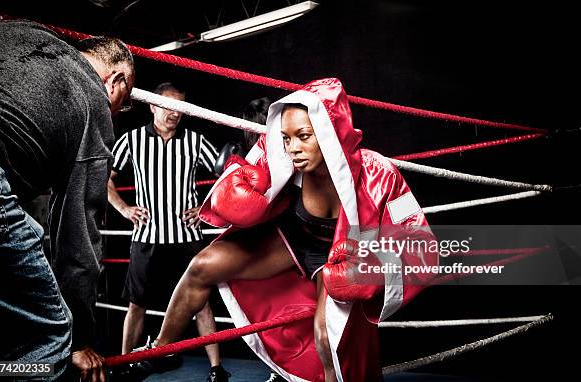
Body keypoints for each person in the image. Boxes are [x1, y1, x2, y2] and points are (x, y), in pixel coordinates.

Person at [151, 78, 437, 381]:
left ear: (329, 133)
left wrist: (374, 270)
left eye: (303, 136)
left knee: (328, 339)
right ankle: (157, 352)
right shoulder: (278, 151)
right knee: (202, 266)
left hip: (339, 256)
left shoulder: (379, 175)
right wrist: (231, 193)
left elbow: (421, 244)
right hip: (289, 240)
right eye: (287, 138)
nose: (293, 148)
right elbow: (239, 173)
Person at [0, 20, 134, 381]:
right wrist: (79, 338)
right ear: (115, 82)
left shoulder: (16, 32)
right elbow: (78, 242)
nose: (115, 112)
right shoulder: (92, 101)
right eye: (123, 103)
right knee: (49, 336)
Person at [107, 82, 229, 381]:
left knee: (201, 305)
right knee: (136, 305)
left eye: (181, 108)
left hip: (187, 239)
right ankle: (124, 365)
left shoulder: (196, 141)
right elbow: (105, 179)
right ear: (152, 105)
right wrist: (124, 209)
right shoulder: (132, 141)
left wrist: (206, 209)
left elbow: (227, 175)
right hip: (147, 237)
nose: (175, 113)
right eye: (168, 106)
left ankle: (216, 369)